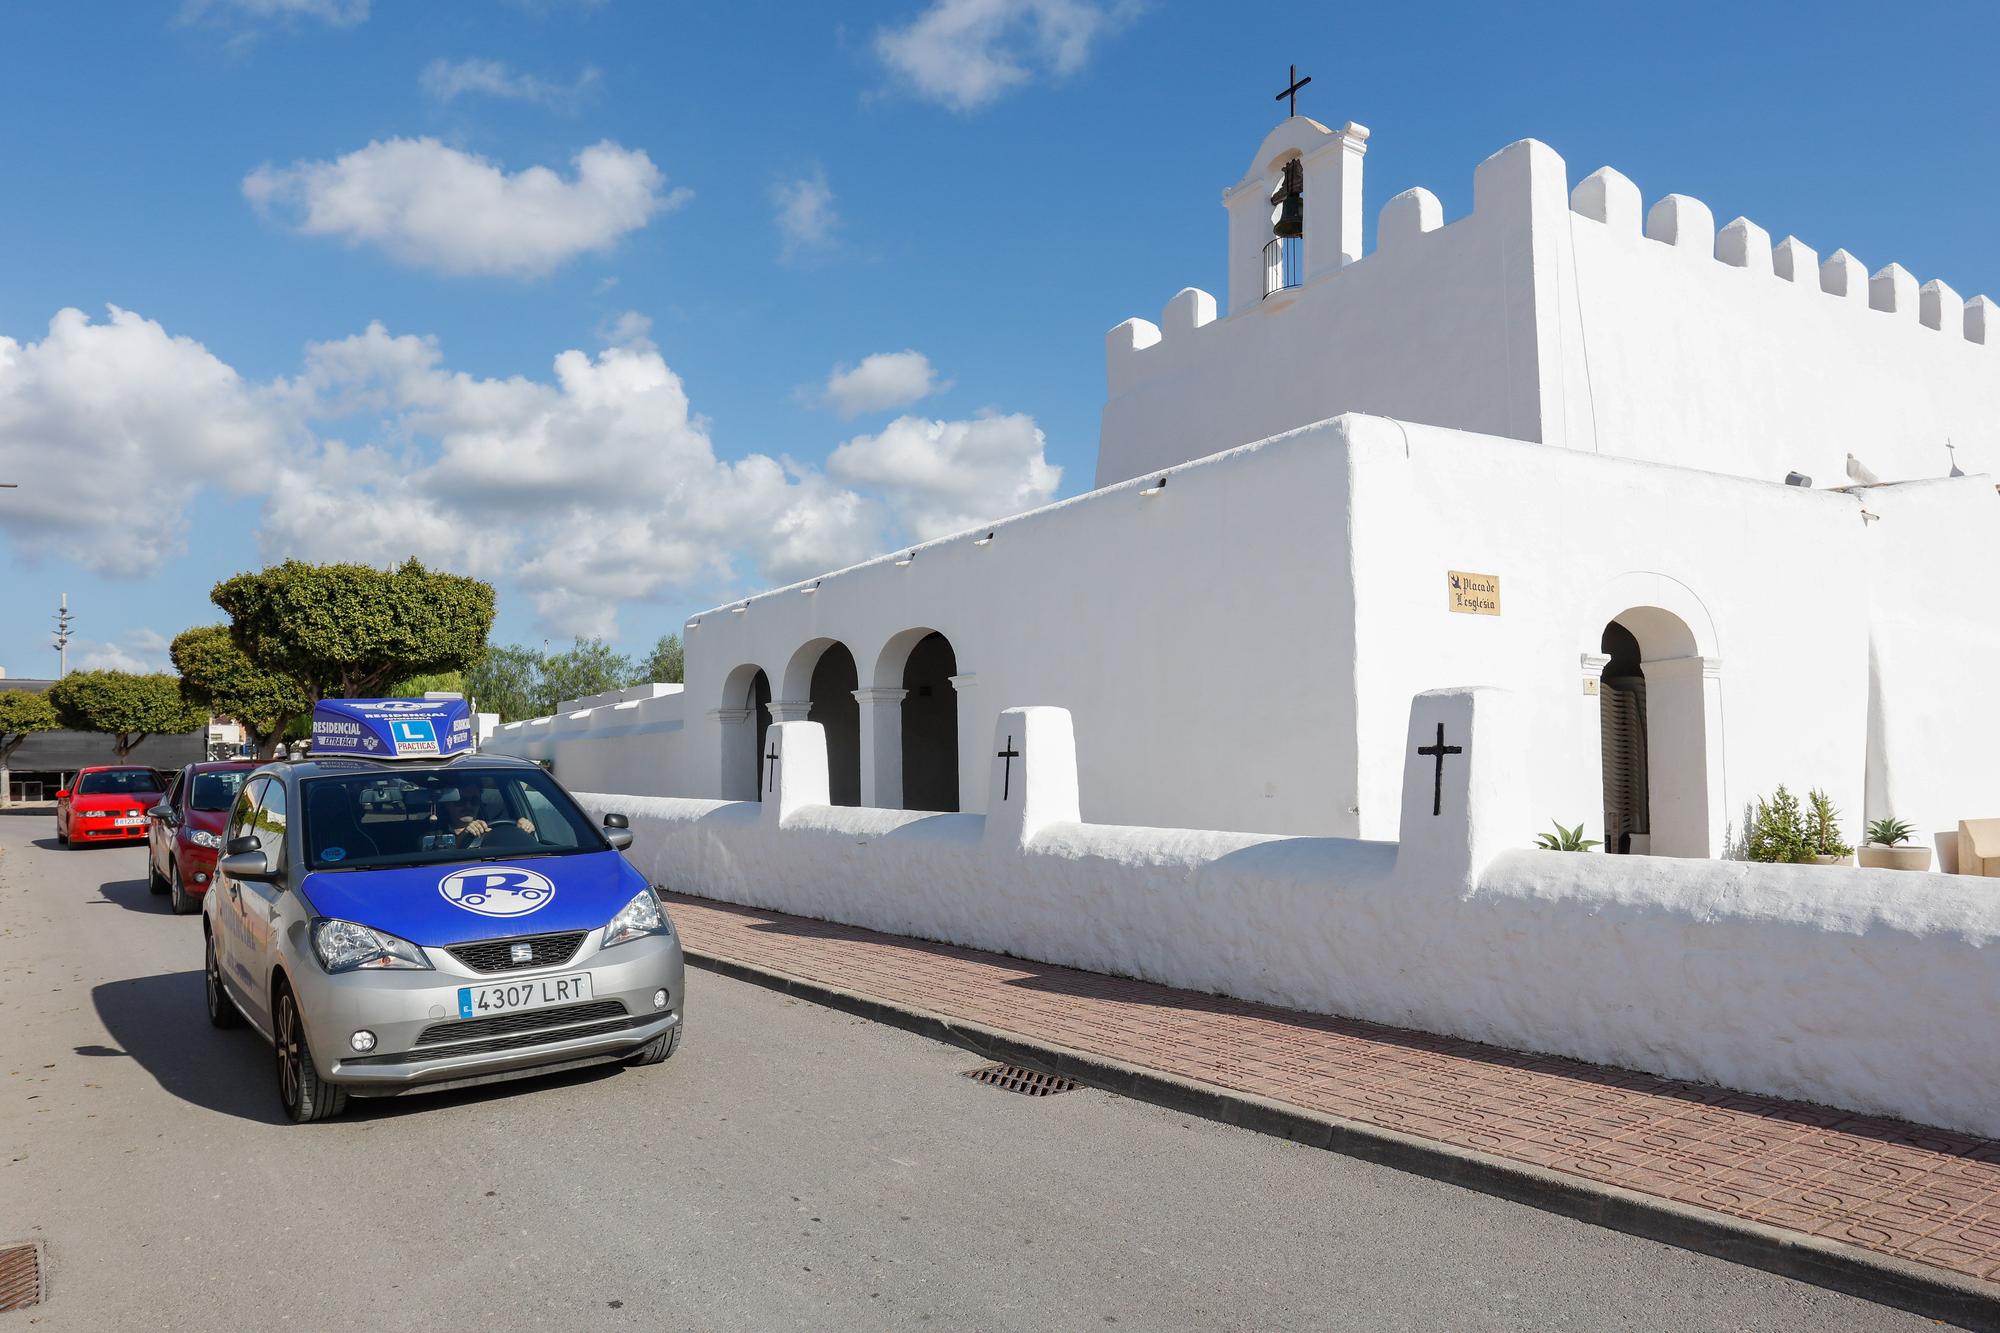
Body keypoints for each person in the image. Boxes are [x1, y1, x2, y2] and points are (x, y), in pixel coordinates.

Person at [438, 781, 533, 849]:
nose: (468, 806)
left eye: (474, 801)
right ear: (447, 804)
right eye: (460, 801)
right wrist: (464, 836)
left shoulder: (495, 827)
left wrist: (524, 829)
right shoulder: (431, 830)